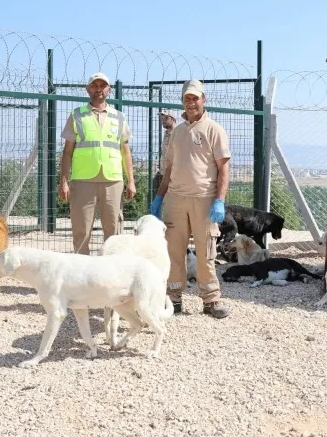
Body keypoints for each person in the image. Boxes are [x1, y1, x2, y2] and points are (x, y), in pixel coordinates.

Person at [150, 79, 231, 319]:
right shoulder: (177, 132)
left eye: (195, 98)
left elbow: (224, 169)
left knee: (206, 252)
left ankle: (211, 299)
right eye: (187, 98)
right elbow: (169, 169)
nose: (191, 102)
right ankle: (173, 298)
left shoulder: (214, 130)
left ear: (203, 100)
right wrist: (158, 198)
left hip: (204, 199)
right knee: (174, 251)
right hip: (176, 199)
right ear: (182, 101)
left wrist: (220, 200)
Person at [58, 72, 136, 255]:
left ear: (109, 90)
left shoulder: (119, 117)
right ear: (88, 89)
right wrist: (63, 181)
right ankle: (82, 278)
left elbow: (125, 151)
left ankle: (110, 276)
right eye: (94, 86)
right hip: (83, 180)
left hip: (113, 180)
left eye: (102, 86)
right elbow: (67, 151)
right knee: (81, 231)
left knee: (113, 234)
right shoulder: (77, 115)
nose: (98, 90)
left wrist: (131, 180)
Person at [151, 109, 177, 193]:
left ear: (172, 119)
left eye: (166, 118)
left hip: (172, 174)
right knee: (154, 191)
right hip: (163, 171)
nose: (163, 121)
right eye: (162, 119)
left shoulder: (177, 133)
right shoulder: (167, 133)